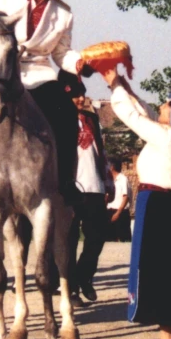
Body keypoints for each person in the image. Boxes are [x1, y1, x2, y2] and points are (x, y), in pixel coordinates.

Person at [101, 56, 171, 339]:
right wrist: (124, 84)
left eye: (166, 105)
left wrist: (113, 84)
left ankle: (168, 338)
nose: (159, 108)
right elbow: (143, 108)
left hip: (159, 209)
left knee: (159, 273)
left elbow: (131, 116)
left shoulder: (167, 137)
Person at [0, 0, 92, 204]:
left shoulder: (64, 14)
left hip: (36, 74)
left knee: (66, 113)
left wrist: (79, 62)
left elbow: (61, 54)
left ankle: (65, 182)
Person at [58, 71, 112, 306]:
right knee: (69, 240)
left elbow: (100, 150)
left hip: (94, 186)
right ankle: (70, 290)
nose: (81, 99)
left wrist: (107, 181)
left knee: (97, 237)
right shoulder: (57, 119)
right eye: (76, 96)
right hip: (70, 187)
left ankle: (84, 276)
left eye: (82, 94)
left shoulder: (92, 119)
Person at [107, 160, 132, 242]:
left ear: (112, 167)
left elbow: (126, 197)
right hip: (109, 211)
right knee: (109, 241)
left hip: (121, 213)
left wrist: (118, 213)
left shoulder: (123, 179)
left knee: (123, 240)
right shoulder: (108, 180)